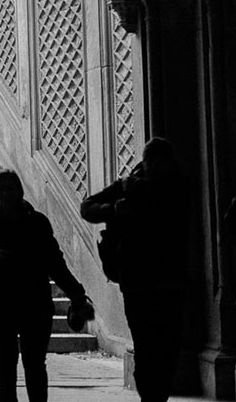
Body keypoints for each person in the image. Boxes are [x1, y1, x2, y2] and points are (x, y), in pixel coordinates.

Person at [0, 169, 89, 402]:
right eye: (2, 189)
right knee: (5, 362)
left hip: (34, 302)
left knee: (35, 364)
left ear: (20, 192)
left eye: (11, 188)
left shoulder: (37, 222)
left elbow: (55, 263)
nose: (7, 194)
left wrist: (77, 294)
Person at [81, 138, 188, 402]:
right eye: (153, 161)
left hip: (166, 281)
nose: (157, 168)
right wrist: (113, 211)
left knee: (166, 347)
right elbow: (88, 207)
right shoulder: (128, 186)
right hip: (140, 281)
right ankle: (151, 398)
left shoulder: (177, 189)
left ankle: (155, 396)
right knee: (148, 346)